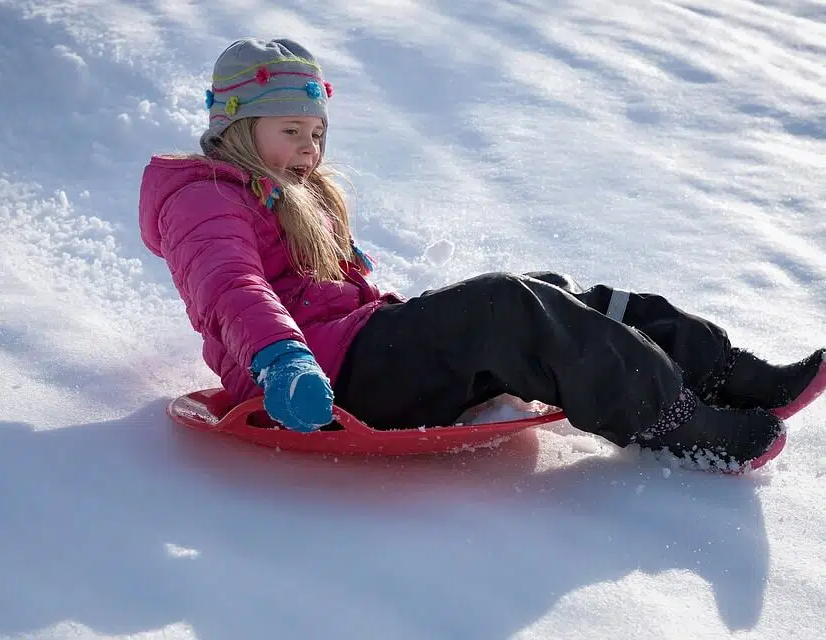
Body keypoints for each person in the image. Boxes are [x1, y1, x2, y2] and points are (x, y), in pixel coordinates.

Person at [139, 37, 825, 471]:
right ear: (234, 125)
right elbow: (231, 288)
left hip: (351, 353)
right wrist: (280, 359)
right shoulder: (202, 199)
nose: (311, 150)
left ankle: (726, 373)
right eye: (292, 130)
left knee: (547, 291)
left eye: (317, 133)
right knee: (507, 305)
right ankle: (682, 424)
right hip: (313, 382)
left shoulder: (288, 192)